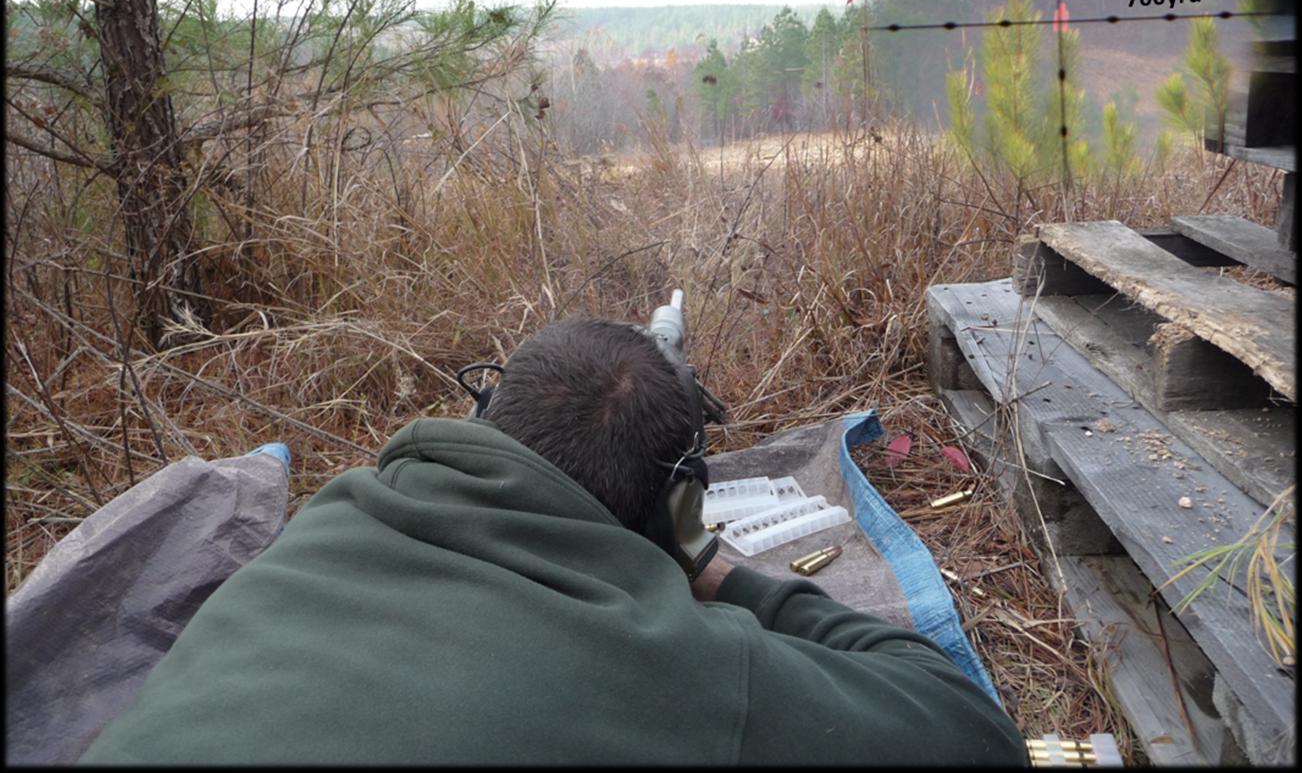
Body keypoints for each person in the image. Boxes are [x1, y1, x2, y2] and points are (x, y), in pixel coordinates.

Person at [79, 317, 1028, 765]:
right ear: (674, 507)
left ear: (489, 416)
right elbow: (972, 734)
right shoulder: (669, 664)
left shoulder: (324, 525)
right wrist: (717, 568)